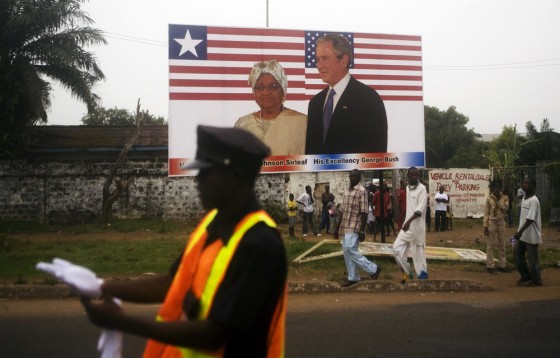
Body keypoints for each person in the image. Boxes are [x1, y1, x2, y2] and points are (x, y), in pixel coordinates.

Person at [80, 125, 288, 357]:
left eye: (205, 172)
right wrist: (102, 288)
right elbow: (174, 282)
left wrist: (124, 323)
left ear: (235, 176)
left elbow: (214, 334)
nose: (197, 180)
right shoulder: (211, 222)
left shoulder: (260, 243)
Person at [305, 33, 388, 155]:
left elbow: (376, 154)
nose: (319, 65)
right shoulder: (315, 103)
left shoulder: (368, 99)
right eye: (318, 59)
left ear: (344, 60)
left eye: (325, 58)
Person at [234, 59, 307, 155]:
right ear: (254, 92)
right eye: (260, 87)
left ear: (283, 89)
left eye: (273, 86)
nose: (266, 92)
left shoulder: (301, 122)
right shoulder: (243, 124)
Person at [334, 169, 382, 287]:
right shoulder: (346, 191)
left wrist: (362, 230)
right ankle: (353, 277)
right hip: (345, 224)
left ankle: (374, 269)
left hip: (355, 224)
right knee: (346, 250)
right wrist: (336, 228)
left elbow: (365, 212)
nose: (352, 178)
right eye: (351, 176)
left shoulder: (362, 191)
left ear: (359, 178)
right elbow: (342, 211)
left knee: (350, 249)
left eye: (355, 176)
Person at [393, 167, 428, 284]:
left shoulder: (422, 189)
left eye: (416, 175)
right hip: (407, 227)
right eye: (412, 175)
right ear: (408, 176)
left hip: (417, 229)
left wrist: (408, 221)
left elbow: (419, 211)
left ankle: (422, 278)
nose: (415, 177)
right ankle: (407, 271)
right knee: (396, 249)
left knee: (418, 256)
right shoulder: (408, 188)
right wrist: (405, 221)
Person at [513, 176, 542, 286]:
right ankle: (525, 276)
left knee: (532, 260)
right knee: (516, 253)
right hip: (522, 235)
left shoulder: (534, 200)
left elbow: (530, 219)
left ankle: (536, 280)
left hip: (531, 236)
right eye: (523, 182)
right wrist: (520, 232)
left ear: (533, 186)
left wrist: (519, 232)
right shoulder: (524, 199)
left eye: (527, 183)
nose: (524, 185)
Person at [483, 179, 510, 274]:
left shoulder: (505, 197)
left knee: (502, 244)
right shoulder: (489, 198)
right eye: (495, 187)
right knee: (490, 245)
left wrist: (498, 201)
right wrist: (485, 226)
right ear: (492, 188)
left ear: (500, 187)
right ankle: (490, 265)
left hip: (501, 222)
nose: (496, 189)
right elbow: (486, 213)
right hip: (492, 222)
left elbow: (505, 209)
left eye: (498, 187)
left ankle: (502, 265)